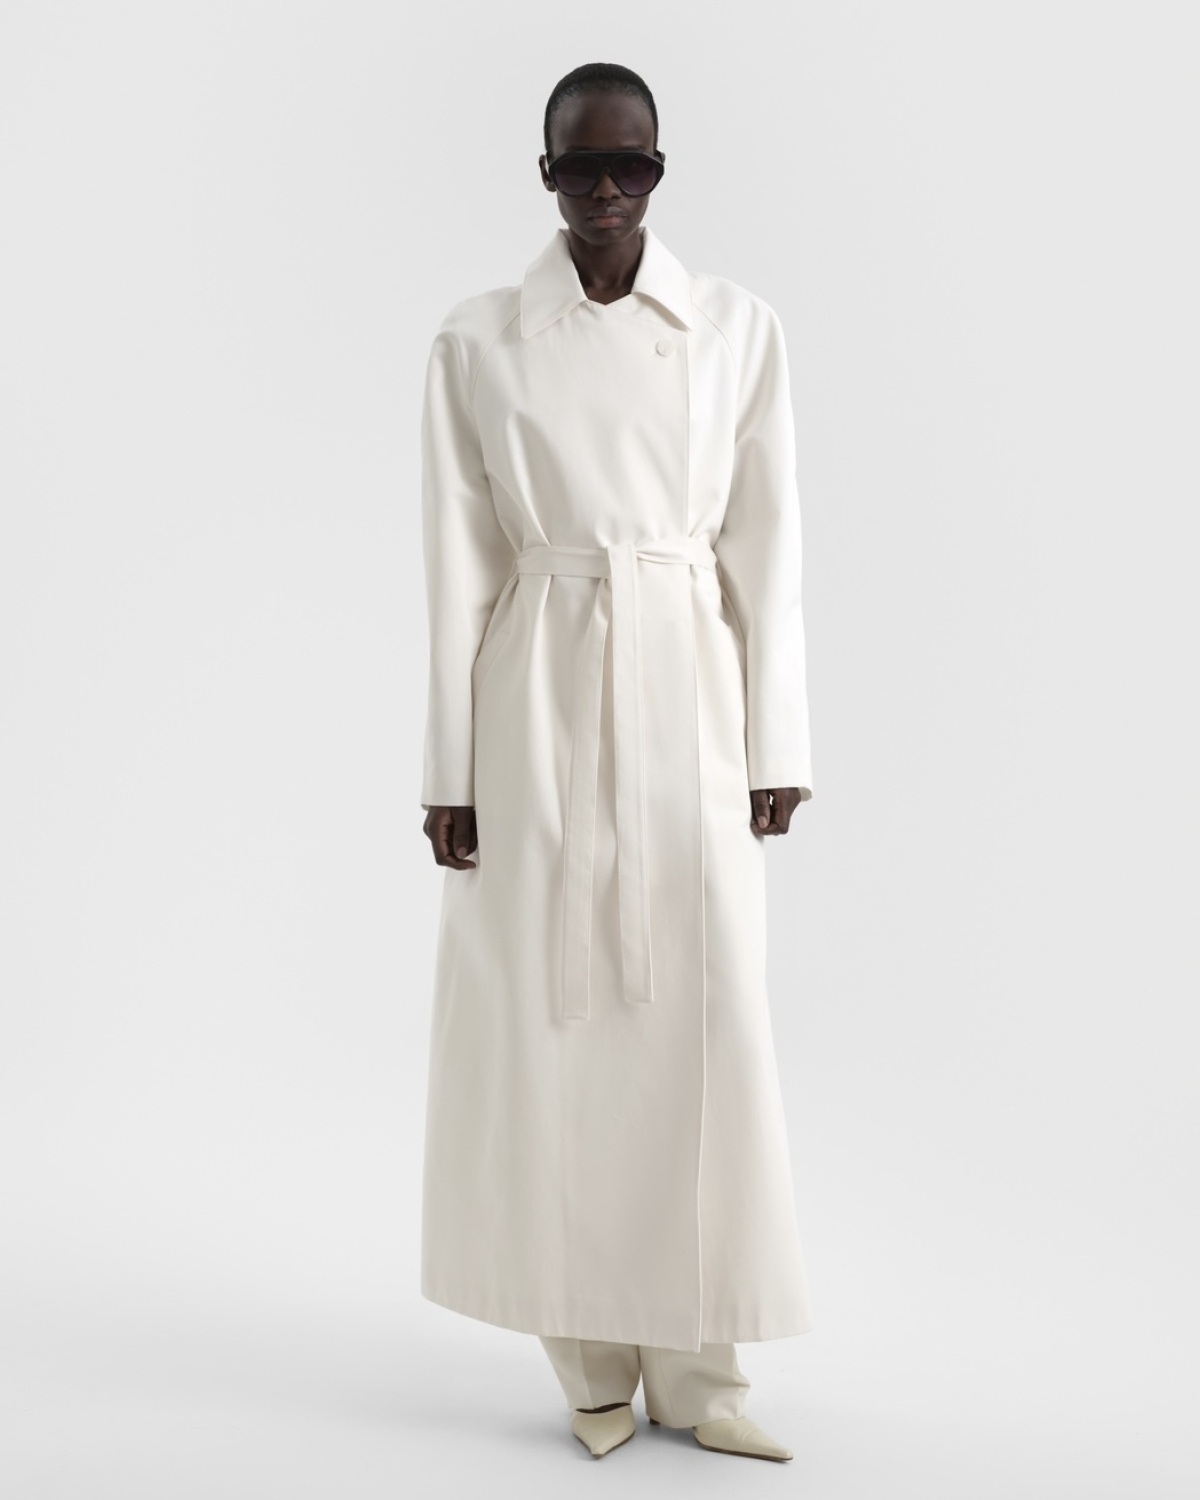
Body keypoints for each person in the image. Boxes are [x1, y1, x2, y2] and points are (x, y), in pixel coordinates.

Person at [417, 61, 815, 1462]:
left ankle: (703, 1374)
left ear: (659, 170)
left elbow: (769, 546)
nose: (603, 191)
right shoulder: (479, 342)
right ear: (543, 176)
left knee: (707, 1015)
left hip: (688, 682)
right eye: (579, 168)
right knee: (558, 1027)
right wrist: (452, 771)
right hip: (537, 688)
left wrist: (777, 739)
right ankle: (587, 1361)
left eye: (628, 166)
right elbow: (456, 567)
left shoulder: (734, 329)